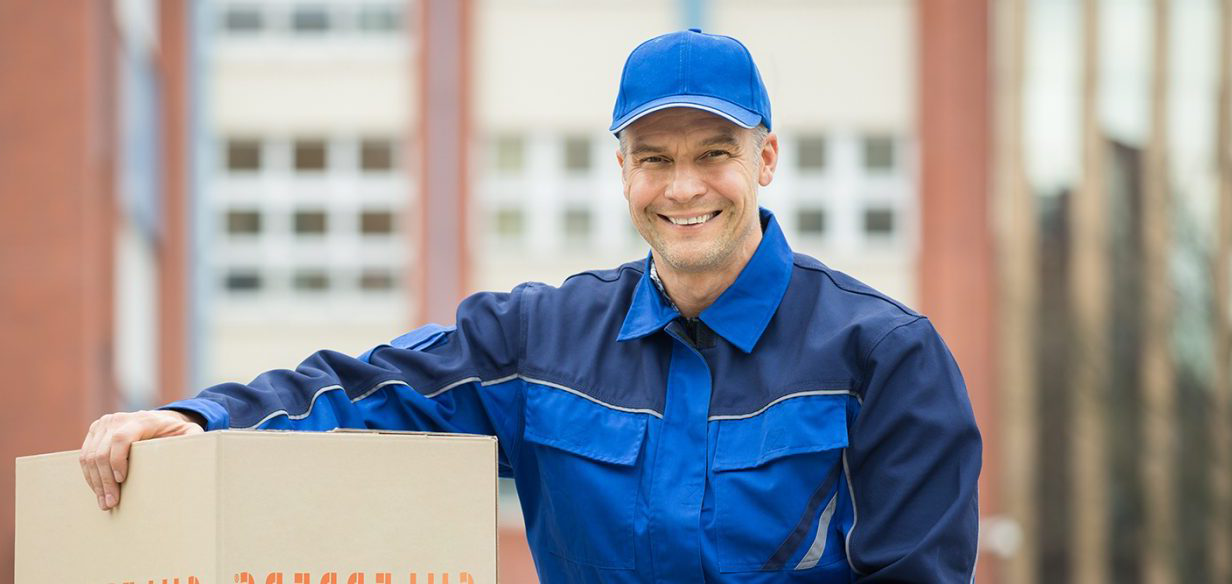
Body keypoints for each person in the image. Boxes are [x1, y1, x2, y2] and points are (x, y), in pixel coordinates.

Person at [80, 29, 981, 583]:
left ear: (767, 158)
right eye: (655, 159)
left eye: (714, 153)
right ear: (622, 171)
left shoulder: (885, 358)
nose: (684, 187)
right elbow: (363, 391)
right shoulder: (536, 344)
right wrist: (197, 417)